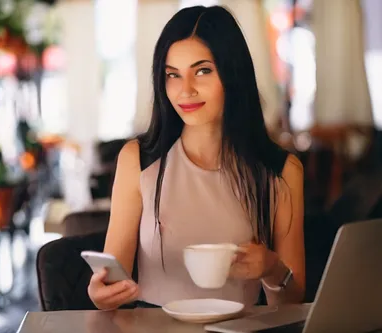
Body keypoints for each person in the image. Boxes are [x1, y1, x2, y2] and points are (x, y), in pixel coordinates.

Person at [88, 5, 305, 310]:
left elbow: (292, 302)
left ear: (232, 74)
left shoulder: (281, 171)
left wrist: (271, 268)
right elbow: (112, 281)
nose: (185, 90)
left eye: (202, 71)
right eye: (172, 75)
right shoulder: (137, 159)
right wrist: (102, 295)